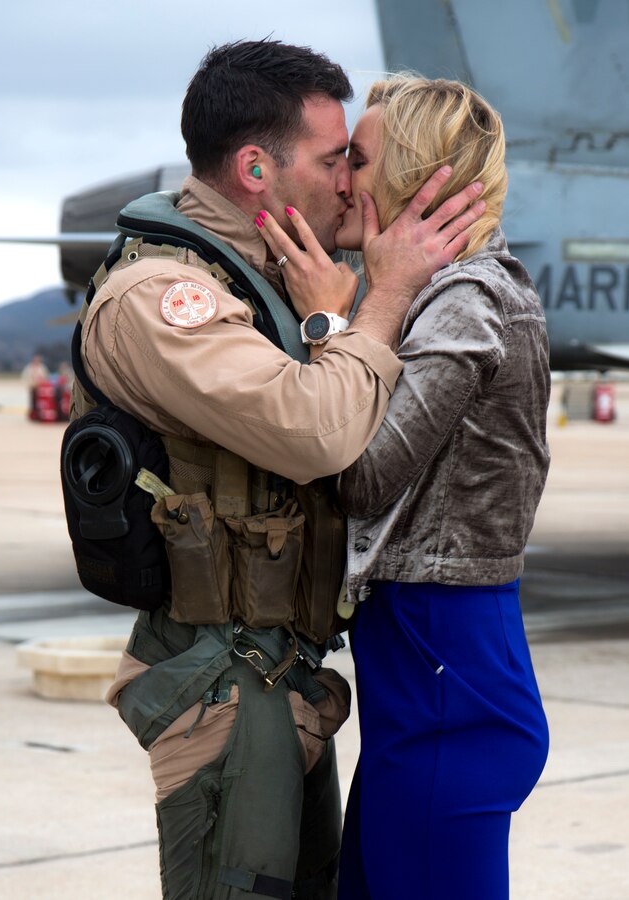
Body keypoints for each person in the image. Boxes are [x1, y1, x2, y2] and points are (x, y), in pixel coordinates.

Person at [72, 40, 485, 900]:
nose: (348, 181)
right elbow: (316, 433)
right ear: (256, 167)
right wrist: (376, 304)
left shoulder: (269, 280)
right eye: (335, 158)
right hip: (220, 677)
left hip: (277, 671)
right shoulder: (162, 297)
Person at [257, 74, 550, 900]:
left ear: (417, 181)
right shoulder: (440, 297)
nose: (341, 179)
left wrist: (329, 327)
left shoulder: (467, 299)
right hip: (422, 686)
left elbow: (362, 476)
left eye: (357, 159)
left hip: (446, 689)